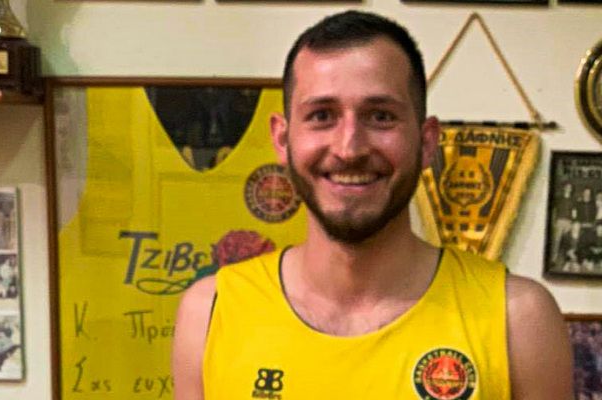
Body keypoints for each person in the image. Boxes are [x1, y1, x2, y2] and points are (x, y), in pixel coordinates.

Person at [172, 10, 572, 399]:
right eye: (322, 115)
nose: (349, 149)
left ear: (426, 141)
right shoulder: (210, 312)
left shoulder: (518, 319)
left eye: (380, 116)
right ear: (282, 138)